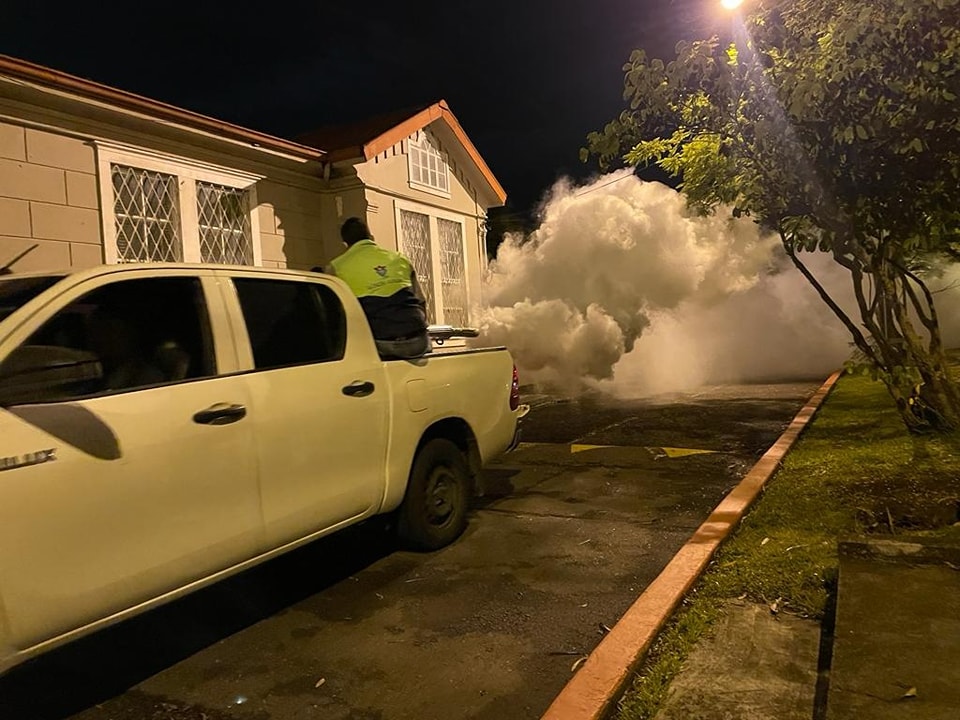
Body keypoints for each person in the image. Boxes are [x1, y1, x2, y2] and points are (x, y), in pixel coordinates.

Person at [328, 217, 430, 359]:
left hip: (381, 343)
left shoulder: (336, 267)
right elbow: (421, 302)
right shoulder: (399, 258)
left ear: (346, 244)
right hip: (418, 340)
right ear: (371, 237)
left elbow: (336, 316)